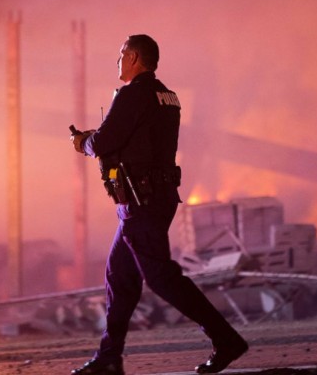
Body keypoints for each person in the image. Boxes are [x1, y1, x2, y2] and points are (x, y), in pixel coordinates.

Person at [69, 34, 248, 374]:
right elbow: (136, 140)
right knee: (119, 277)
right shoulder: (167, 96)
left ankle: (226, 340)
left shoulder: (133, 94)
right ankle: (109, 358)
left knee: (161, 277)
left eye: (121, 54)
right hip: (153, 200)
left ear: (134, 58)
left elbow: (105, 141)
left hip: (142, 203)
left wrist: (83, 142)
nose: (118, 61)